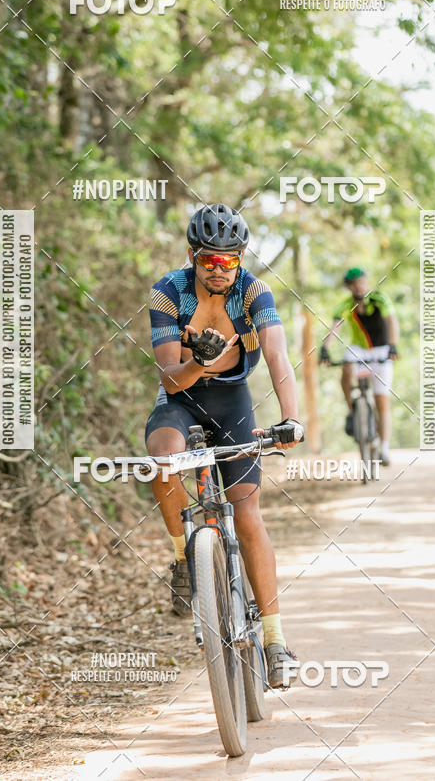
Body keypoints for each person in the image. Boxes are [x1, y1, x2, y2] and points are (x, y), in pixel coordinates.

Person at [145, 203, 304, 687]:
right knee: (162, 460)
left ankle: (275, 641)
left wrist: (290, 418)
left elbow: (277, 356)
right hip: (182, 397)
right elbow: (171, 379)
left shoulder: (254, 292)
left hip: (234, 399)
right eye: (209, 260)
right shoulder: (168, 293)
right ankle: (181, 558)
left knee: (248, 513)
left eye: (229, 260)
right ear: (192, 255)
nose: (219, 270)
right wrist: (202, 363)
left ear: (240, 259)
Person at [320, 267, 399, 465]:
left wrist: (393, 345)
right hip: (360, 350)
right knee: (346, 365)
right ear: (348, 287)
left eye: (362, 282)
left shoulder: (379, 299)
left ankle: (385, 448)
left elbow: (391, 322)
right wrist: (325, 349)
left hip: (382, 350)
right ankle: (352, 411)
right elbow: (335, 328)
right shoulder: (345, 305)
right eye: (354, 284)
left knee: (382, 402)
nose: (359, 286)